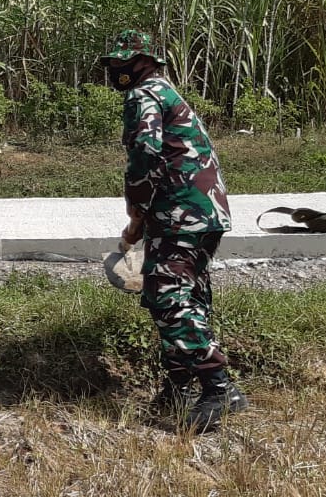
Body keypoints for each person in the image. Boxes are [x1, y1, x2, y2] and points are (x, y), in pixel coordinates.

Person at [102, 31, 248, 433]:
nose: (117, 71)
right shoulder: (167, 92)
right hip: (202, 212)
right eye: (112, 64)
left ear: (146, 63)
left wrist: (136, 212)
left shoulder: (144, 95)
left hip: (180, 212)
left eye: (124, 63)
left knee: (168, 295)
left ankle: (219, 388)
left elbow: (145, 153)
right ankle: (179, 386)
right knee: (186, 294)